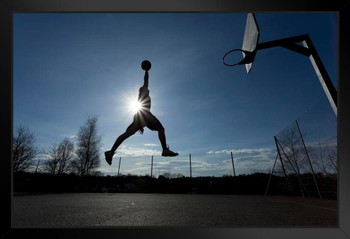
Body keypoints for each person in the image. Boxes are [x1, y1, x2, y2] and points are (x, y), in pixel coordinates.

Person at [105, 60, 178, 165]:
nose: (148, 89)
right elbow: (146, 81)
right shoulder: (144, 91)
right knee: (161, 129)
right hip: (145, 114)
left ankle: (110, 152)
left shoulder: (143, 96)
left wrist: (140, 124)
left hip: (140, 116)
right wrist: (147, 71)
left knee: (126, 134)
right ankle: (165, 150)